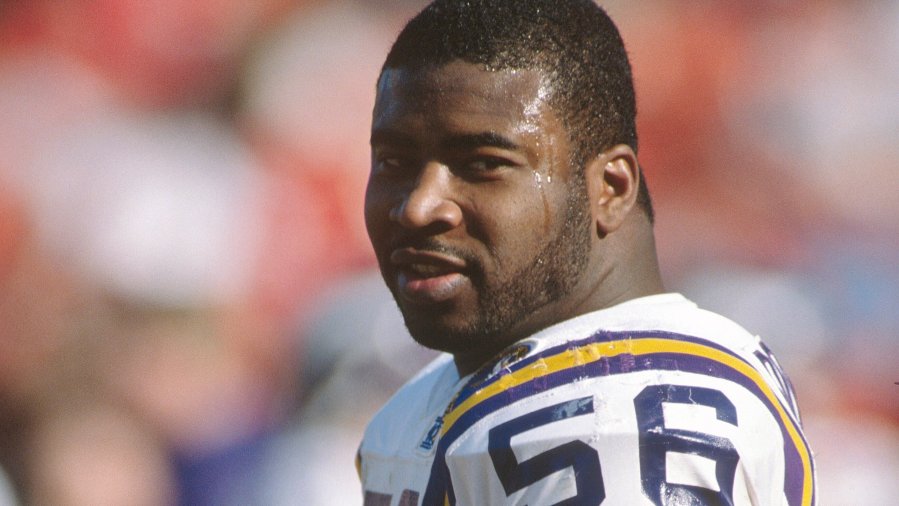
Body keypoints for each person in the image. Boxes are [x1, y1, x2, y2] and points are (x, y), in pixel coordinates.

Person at [357, 1, 817, 504]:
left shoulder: (620, 419)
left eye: (482, 164)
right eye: (394, 161)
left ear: (611, 188)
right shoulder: (424, 404)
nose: (419, 208)